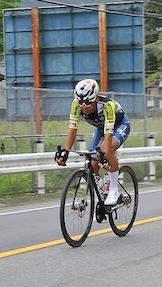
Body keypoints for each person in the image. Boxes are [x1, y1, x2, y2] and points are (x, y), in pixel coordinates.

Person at [55, 78, 130, 206]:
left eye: (88, 102)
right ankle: (103, 193)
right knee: (93, 162)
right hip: (101, 128)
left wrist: (104, 155)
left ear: (95, 98)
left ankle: (113, 189)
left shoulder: (107, 106)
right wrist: (65, 152)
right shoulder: (76, 105)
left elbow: (108, 135)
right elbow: (72, 130)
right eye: (81, 102)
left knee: (107, 152)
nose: (84, 106)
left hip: (118, 126)